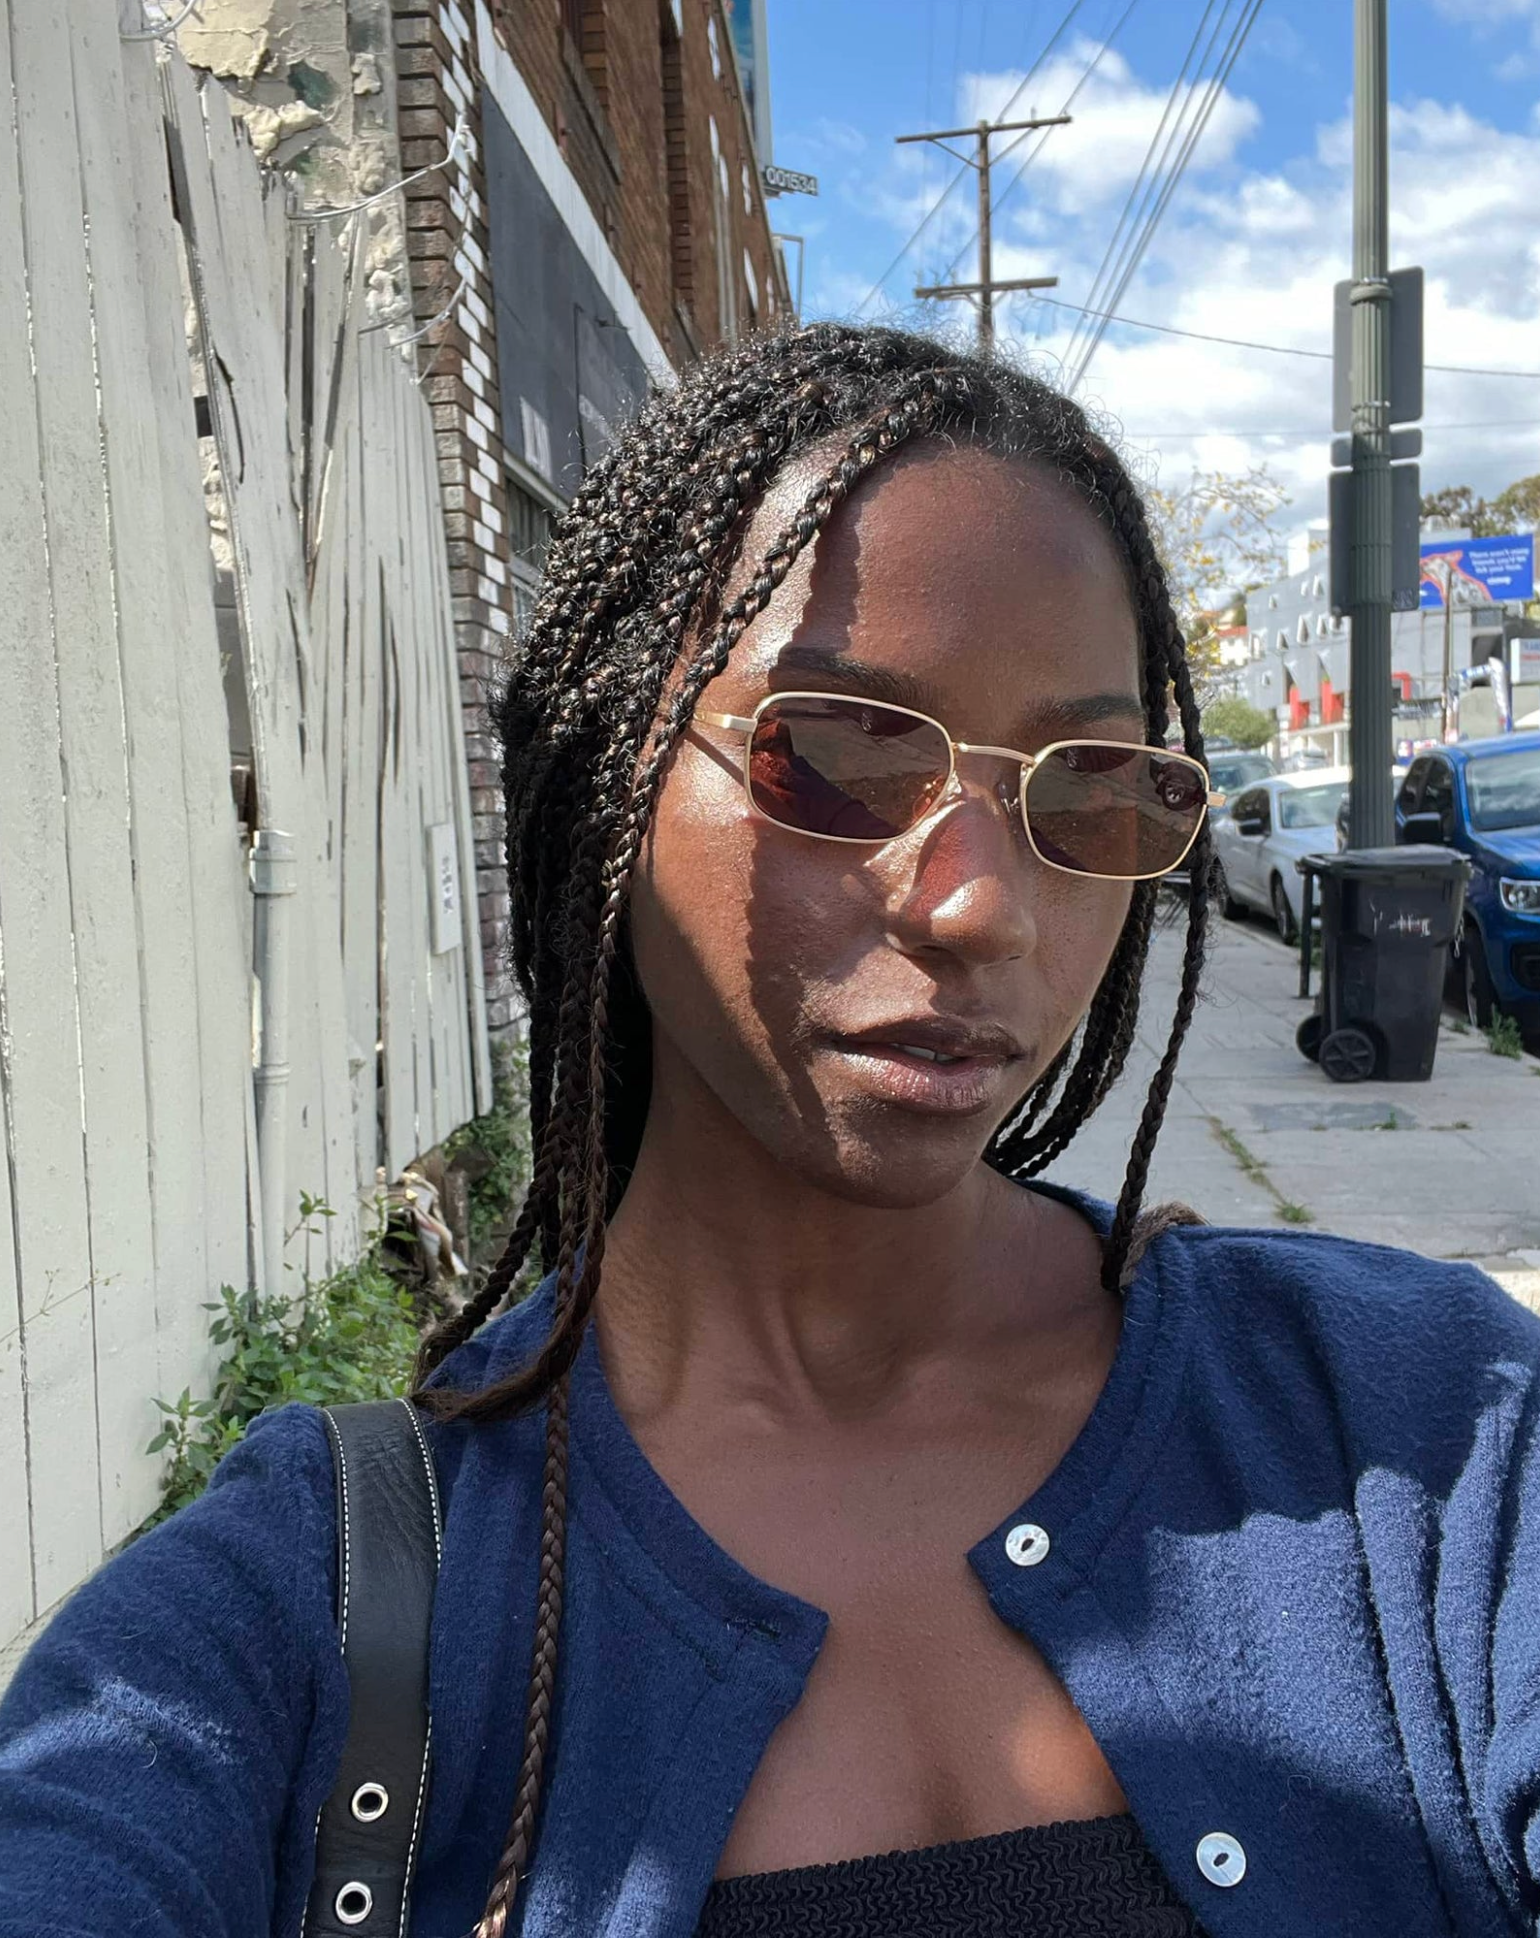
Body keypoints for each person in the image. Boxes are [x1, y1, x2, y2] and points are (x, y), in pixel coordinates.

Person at [2, 323, 1537, 1938]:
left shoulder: (1426, 1434)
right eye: (843, 751)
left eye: (1089, 788)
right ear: (609, 775)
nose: (982, 907)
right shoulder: (302, 1614)